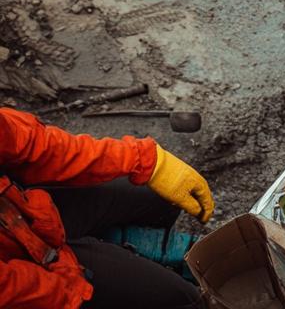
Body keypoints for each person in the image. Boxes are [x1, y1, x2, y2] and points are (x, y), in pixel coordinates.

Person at [0, 107, 213, 309]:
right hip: (36, 286)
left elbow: (31, 144)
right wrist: (80, 284)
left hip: (24, 213)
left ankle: (115, 246)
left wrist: (147, 162)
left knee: (158, 198)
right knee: (183, 299)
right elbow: (21, 293)